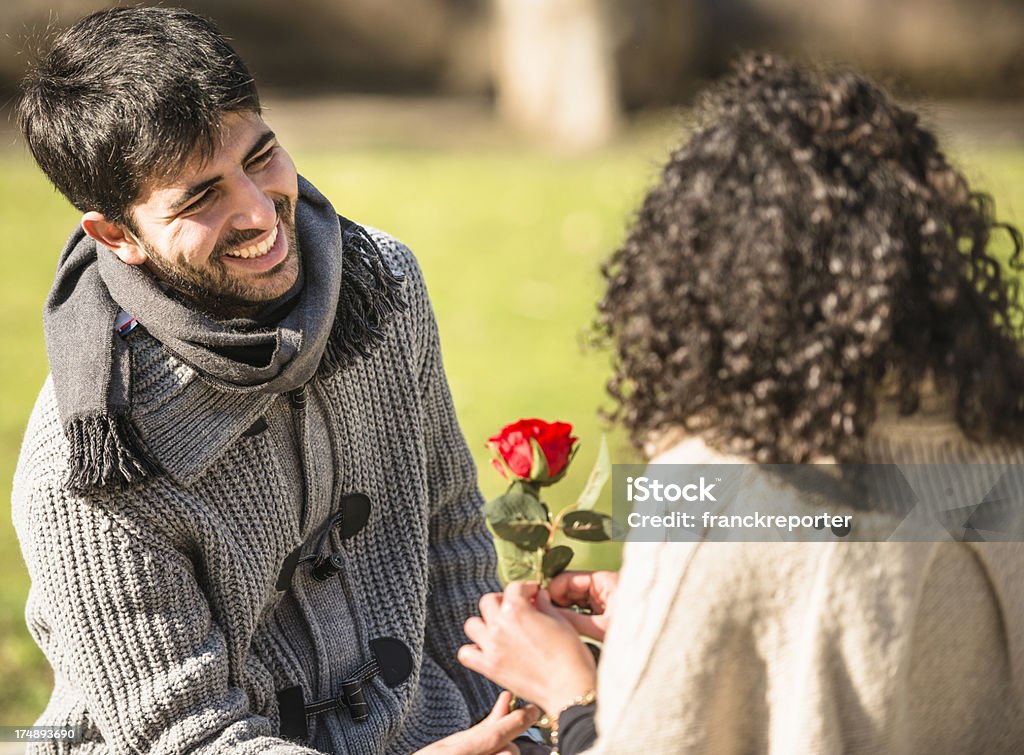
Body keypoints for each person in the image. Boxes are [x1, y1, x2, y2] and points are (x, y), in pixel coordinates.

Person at [458, 55, 1024, 753]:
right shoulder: (999, 443)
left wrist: (571, 691)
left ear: (697, 274)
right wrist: (664, 614)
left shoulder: (710, 492)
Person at [11, 7, 537, 754]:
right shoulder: (88, 465)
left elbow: (450, 533)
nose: (259, 212)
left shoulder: (381, 280)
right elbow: (189, 739)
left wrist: (508, 724)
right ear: (116, 236)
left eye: (261, 157)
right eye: (199, 198)